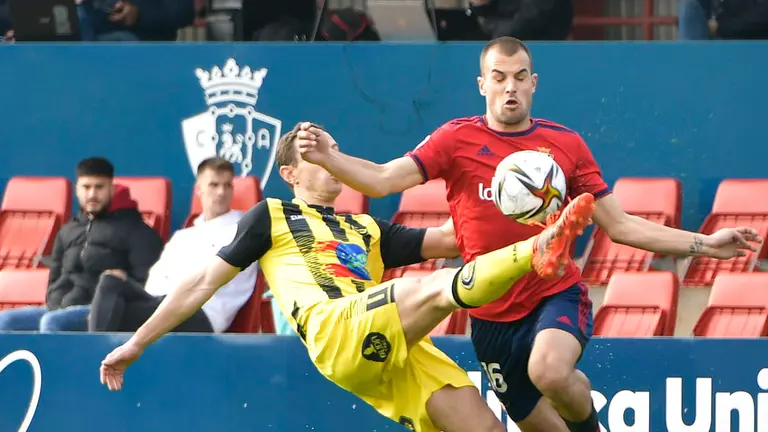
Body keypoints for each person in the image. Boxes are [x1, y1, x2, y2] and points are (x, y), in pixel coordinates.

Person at [291, 37, 763, 432]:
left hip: (552, 294)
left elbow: (620, 226)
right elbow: (383, 180)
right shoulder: (454, 140)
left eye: (519, 76)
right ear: (482, 85)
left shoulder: (565, 145)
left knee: (549, 370)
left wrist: (705, 244)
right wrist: (330, 159)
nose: (509, 87)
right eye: (498, 77)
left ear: (534, 84)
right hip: (491, 320)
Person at [98, 123, 596, 432]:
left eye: (336, 150)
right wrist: (138, 343)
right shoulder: (271, 216)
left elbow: (453, 238)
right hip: (336, 329)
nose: (333, 160)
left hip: (393, 340)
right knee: (426, 288)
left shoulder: (365, 227)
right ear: (291, 174)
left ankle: (537, 244)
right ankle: (536, 253)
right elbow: (200, 283)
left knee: (484, 428)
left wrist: (519, 203)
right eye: (317, 155)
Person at [88, 157, 258, 334]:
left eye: (227, 185)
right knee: (111, 280)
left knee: (108, 315)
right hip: (164, 305)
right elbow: (155, 283)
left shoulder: (243, 230)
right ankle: (97, 349)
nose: (221, 192)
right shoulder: (183, 237)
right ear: (199, 189)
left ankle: (94, 354)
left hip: (202, 313)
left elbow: (206, 282)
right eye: (214, 185)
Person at [0, 157, 164, 332]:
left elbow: (145, 287)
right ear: (77, 190)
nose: (92, 194)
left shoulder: (138, 232)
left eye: (99, 187)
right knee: (6, 320)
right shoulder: (68, 230)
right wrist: (56, 301)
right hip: (59, 308)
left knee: (53, 323)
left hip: (102, 312)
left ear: (112, 189)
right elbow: (54, 279)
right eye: (86, 187)